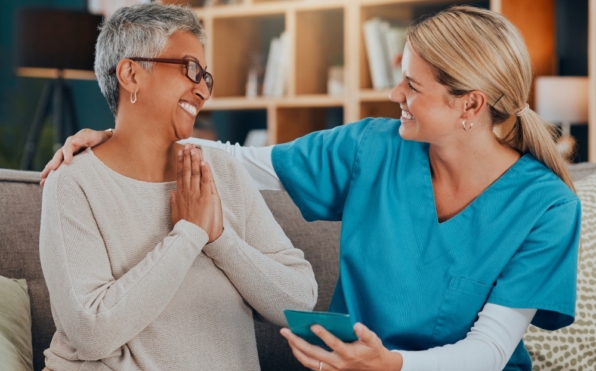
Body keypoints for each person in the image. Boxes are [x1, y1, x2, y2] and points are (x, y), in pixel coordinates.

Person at [41, 5, 581, 371]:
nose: (394, 93)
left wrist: (391, 365)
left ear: (471, 105)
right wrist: (121, 136)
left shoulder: (547, 206)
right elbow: (246, 163)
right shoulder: (373, 147)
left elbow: (488, 351)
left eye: (413, 86)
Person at [39, 4, 317, 371]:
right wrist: (188, 235)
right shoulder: (75, 183)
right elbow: (91, 333)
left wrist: (219, 239)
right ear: (131, 74)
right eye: (190, 69)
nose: (202, 89)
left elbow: (300, 300)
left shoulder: (220, 172)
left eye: (206, 76)